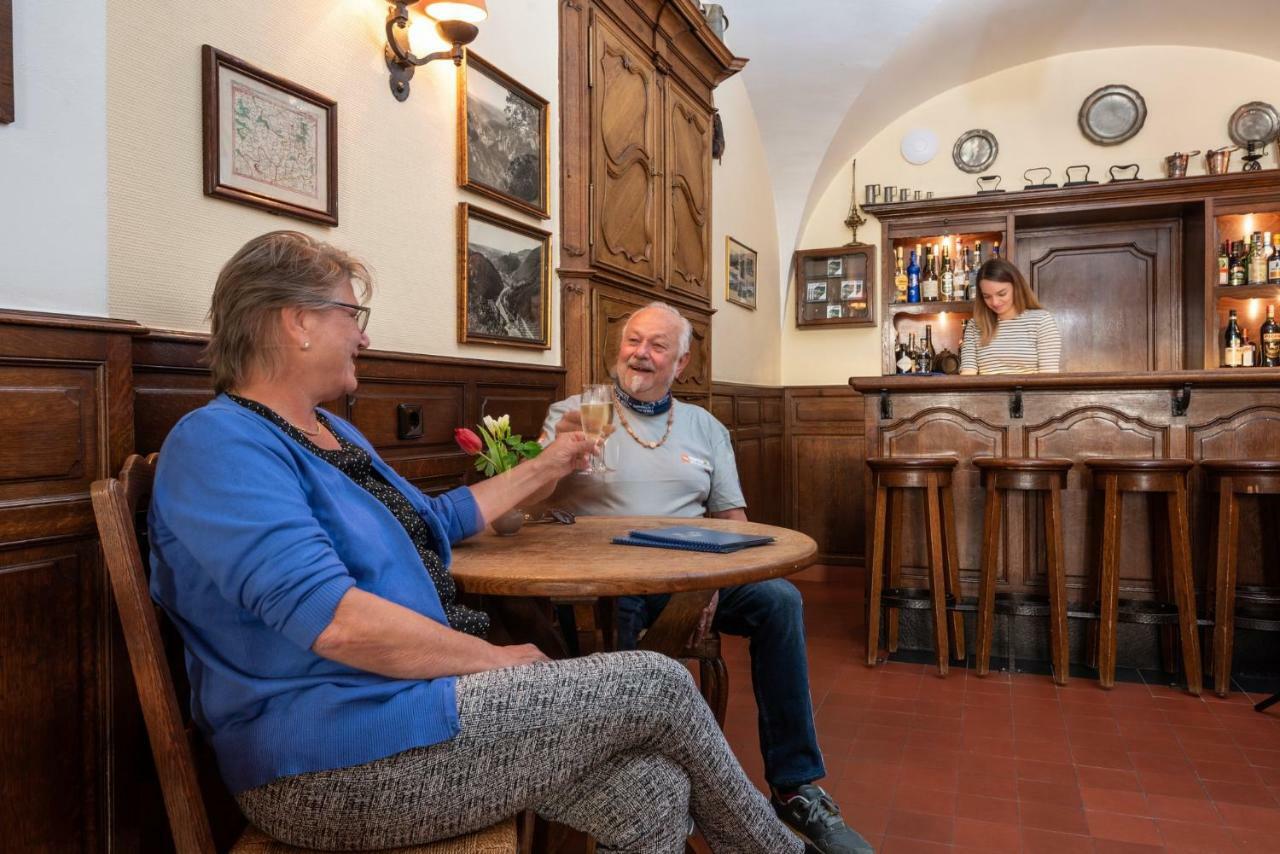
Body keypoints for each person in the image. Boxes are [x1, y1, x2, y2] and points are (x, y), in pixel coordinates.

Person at [148, 232, 813, 854]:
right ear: (297, 321)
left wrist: (551, 464)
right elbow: (337, 625)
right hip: (327, 757)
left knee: (653, 792)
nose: (365, 335)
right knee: (661, 683)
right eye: (353, 315)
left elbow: (435, 520)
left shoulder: (332, 434)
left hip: (413, 707)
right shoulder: (220, 443)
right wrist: (490, 660)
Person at [537, 302, 874, 854]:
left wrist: (716, 584)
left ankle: (795, 787)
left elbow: (733, 524)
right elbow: (528, 504)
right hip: (601, 579)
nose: (640, 354)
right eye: (633, 341)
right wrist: (556, 456)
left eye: (657, 346)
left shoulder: (706, 427)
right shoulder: (574, 413)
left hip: (690, 574)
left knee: (780, 600)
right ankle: (629, 789)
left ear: (683, 362)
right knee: (619, 613)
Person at [959, 257, 1061, 374]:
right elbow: (968, 375)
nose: (995, 302)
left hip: (1030, 393)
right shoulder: (975, 326)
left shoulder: (1041, 321)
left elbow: (1048, 378)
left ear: (1016, 287)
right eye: (987, 296)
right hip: (987, 393)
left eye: (1002, 294)